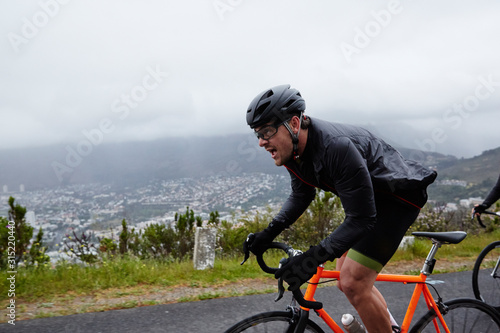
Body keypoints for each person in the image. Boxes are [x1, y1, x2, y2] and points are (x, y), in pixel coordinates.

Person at [244, 84, 437, 333]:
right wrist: (268, 233)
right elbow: (302, 194)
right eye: (257, 134)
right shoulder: (294, 152)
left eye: (267, 131)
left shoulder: (335, 147)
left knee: (354, 281)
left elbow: (362, 219)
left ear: (293, 124)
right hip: (371, 203)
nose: (261, 142)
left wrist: (311, 259)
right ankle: (387, 327)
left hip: (397, 200)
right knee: (344, 278)